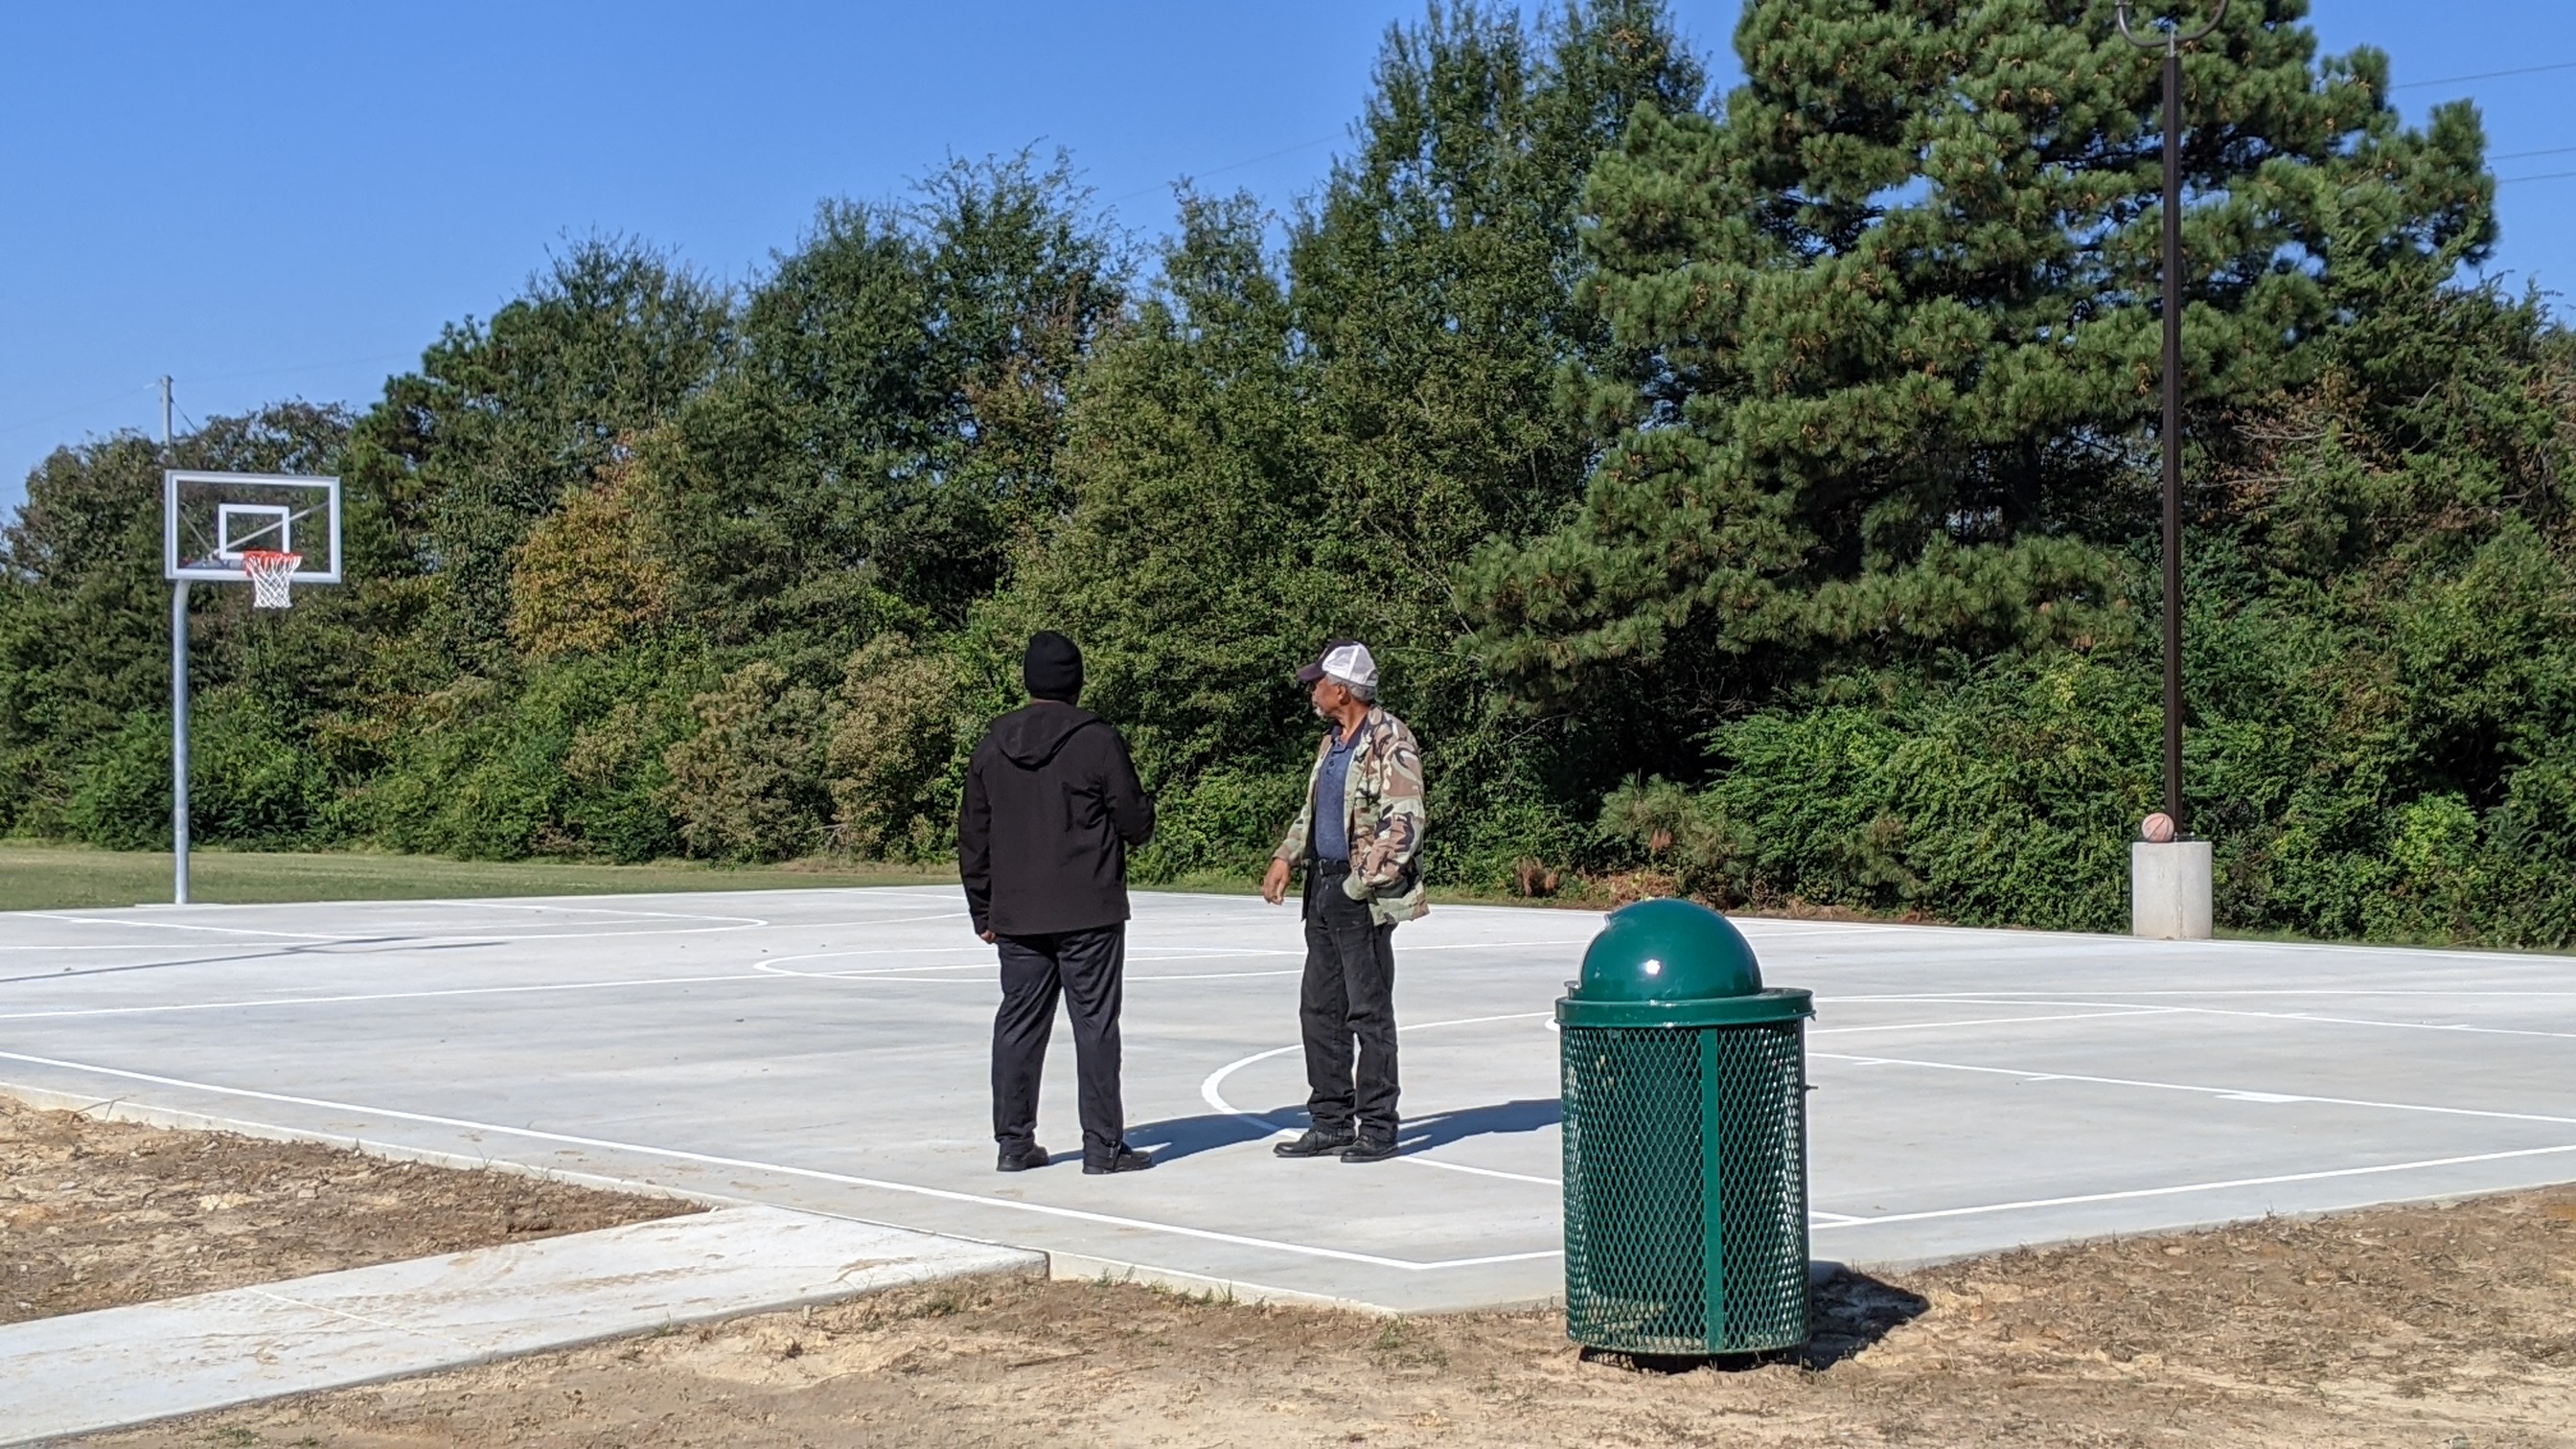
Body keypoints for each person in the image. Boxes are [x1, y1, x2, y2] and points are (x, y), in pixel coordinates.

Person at [958, 632, 1158, 1175]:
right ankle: (1102, 1148)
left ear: (1027, 679)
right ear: (1076, 681)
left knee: (1018, 1025)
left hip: (1017, 913)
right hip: (1089, 908)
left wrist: (984, 909)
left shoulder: (993, 743)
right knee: (1094, 1025)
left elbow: (973, 834)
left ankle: (1014, 1143)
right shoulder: (1097, 740)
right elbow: (1135, 823)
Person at [1259, 639, 1426, 1164]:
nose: (1313, 690)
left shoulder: (1390, 740)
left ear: (1343, 689)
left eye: (1319, 682)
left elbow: (1405, 824)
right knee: (1320, 1011)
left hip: (1363, 896)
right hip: (1323, 889)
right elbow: (1314, 813)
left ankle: (1378, 1127)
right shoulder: (1333, 741)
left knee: (1368, 1012)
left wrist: (1360, 884)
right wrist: (1287, 856)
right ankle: (1329, 1122)